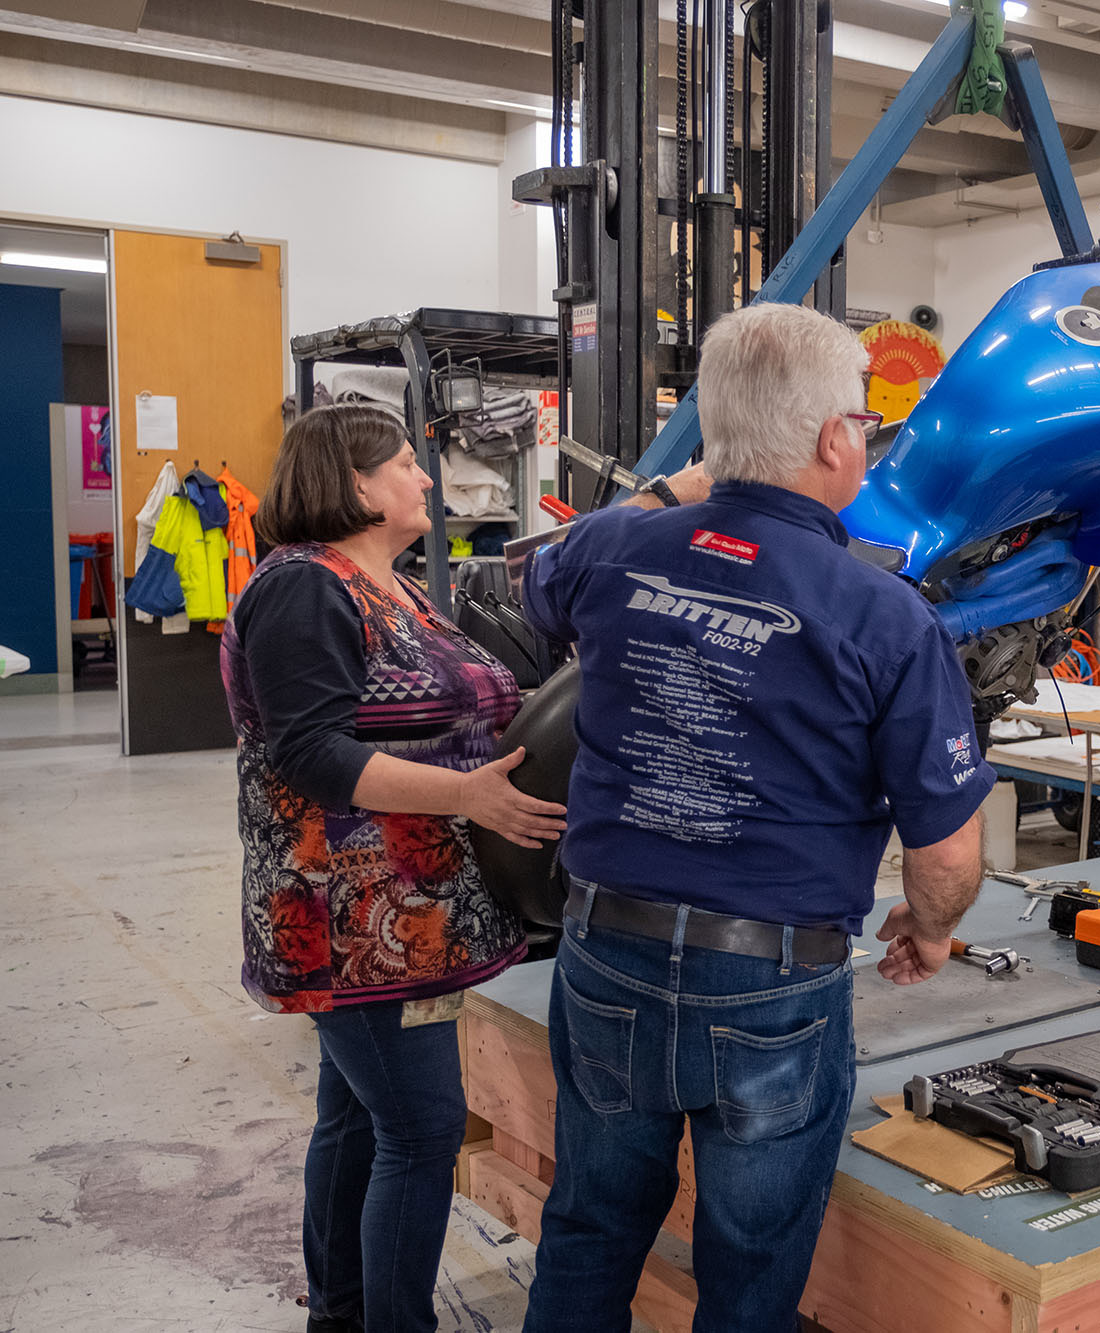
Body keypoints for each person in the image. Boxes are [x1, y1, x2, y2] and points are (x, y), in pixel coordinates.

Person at [519, 302, 992, 1333]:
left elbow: (535, 584)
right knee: (749, 1269)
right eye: (861, 420)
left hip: (604, 956)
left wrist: (697, 484)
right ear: (834, 440)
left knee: (590, 1230)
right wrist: (934, 923)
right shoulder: (885, 614)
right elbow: (945, 847)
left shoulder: (612, 551)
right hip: (772, 984)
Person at [221, 404, 564, 1333]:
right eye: (408, 463)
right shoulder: (304, 588)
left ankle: (342, 1312)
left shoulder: (389, 584)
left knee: (357, 1118)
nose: (425, 477)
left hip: (411, 913)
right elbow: (310, 753)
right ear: (357, 484)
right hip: (356, 921)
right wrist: (472, 798)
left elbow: (431, 710)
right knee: (420, 1129)